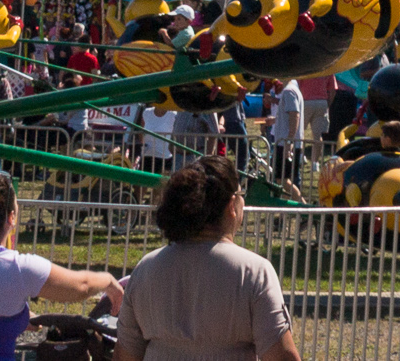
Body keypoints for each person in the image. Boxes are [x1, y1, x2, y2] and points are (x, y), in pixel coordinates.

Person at [0, 168, 119, 361]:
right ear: (11, 217)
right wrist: (109, 282)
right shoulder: (17, 267)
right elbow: (81, 287)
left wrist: (17, 318)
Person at [116, 155, 298, 361]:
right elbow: (283, 357)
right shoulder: (254, 272)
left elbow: (125, 356)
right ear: (231, 206)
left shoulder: (145, 269)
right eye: (241, 193)